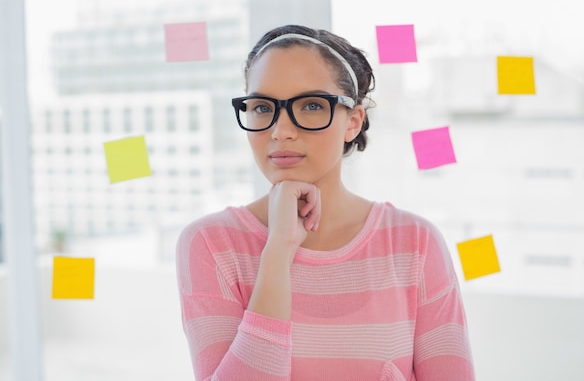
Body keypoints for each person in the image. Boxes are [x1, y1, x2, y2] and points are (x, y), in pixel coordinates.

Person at [176, 24, 475, 381]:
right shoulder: (210, 244)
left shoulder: (415, 243)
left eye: (312, 105)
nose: (280, 131)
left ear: (353, 121)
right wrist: (277, 253)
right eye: (261, 107)